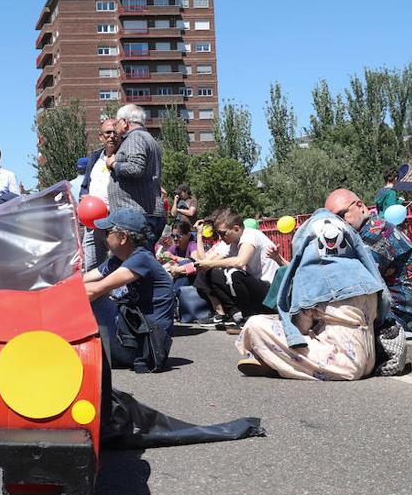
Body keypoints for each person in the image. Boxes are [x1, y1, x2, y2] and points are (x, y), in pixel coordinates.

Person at [235, 209, 386, 381]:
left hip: (340, 363)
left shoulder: (313, 277)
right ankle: (274, 360)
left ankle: (272, 361)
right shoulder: (365, 274)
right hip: (368, 361)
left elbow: (301, 329)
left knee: (255, 324)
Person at [84, 208, 176, 372]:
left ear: (123, 238)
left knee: (95, 298)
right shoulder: (119, 259)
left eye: (107, 232)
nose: (104, 237)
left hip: (142, 349)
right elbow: (83, 280)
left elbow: (94, 290)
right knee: (88, 294)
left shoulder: (142, 259)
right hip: (133, 336)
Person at [325, 188, 412, 337]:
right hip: (392, 312)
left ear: (360, 206)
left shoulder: (377, 234)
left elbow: (353, 278)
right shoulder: (367, 230)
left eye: (341, 216)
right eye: (333, 220)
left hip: (400, 316)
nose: (337, 224)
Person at [193, 210, 277, 326]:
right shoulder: (231, 242)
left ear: (236, 229)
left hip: (270, 293)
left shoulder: (250, 235)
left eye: (223, 233)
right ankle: (233, 313)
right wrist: (199, 234)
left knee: (233, 272)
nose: (221, 237)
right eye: (218, 234)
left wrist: (210, 264)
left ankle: (248, 316)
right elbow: (205, 262)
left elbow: (240, 261)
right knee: (208, 273)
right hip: (256, 288)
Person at [105, 105, 165, 243]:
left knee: (137, 260)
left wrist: (114, 164)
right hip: (143, 212)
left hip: (136, 215)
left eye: (116, 123)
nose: (115, 128)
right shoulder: (146, 137)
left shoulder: (135, 137)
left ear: (125, 122)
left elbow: (135, 168)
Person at [78, 118, 122, 270]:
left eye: (115, 133)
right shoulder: (95, 158)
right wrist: (83, 197)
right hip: (93, 223)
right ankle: (98, 294)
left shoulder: (124, 156)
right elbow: (85, 186)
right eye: (108, 133)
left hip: (116, 222)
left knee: (118, 267)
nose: (111, 136)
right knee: (92, 267)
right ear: (100, 137)